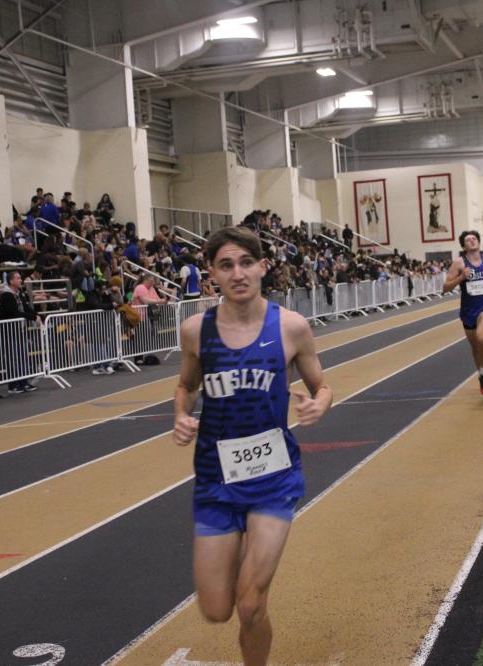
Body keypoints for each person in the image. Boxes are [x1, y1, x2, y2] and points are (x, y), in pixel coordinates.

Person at [173, 226, 332, 666]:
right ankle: (244, 560)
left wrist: (318, 405)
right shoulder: (195, 331)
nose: (238, 273)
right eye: (226, 265)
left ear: (263, 267)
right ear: (212, 274)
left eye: (246, 263)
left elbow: (321, 386)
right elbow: (185, 386)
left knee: (250, 605)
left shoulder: (291, 327)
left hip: (273, 478)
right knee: (216, 610)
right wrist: (181, 414)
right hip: (215, 480)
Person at [442, 230, 483, 395]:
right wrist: (461, 278)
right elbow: (445, 288)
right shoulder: (459, 263)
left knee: (481, 338)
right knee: (475, 346)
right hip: (468, 310)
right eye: (468, 240)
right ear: (463, 246)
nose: (472, 241)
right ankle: (482, 374)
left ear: (479, 242)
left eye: (474, 238)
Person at [0, 271, 39, 393]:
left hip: (21, 330)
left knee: (23, 357)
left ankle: (23, 382)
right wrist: (32, 317)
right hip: (10, 331)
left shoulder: (19, 293)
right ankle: (13, 385)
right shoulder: (6, 295)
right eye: (18, 278)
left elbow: (26, 307)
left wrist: (37, 315)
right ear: (11, 281)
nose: (21, 280)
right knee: (13, 358)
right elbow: (14, 313)